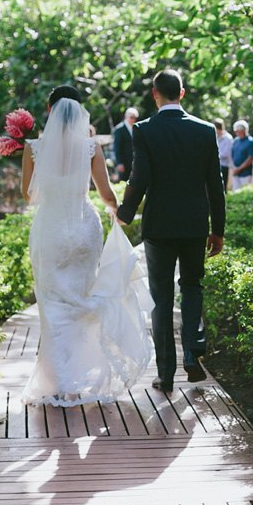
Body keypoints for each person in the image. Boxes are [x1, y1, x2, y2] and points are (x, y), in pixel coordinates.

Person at [20, 85, 152, 406]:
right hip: (83, 226)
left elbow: (29, 195)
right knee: (82, 297)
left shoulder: (33, 148)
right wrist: (115, 209)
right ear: (81, 112)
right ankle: (75, 382)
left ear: (51, 111)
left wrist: (52, 182)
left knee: (52, 302)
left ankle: (56, 378)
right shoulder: (90, 146)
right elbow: (106, 194)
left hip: (49, 228)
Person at [117, 70, 226, 394]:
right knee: (192, 286)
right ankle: (193, 350)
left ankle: (166, 375)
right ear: (182, 93)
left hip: (159, 227)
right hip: (194, 225)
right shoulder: (206, 131)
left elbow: (140, 178)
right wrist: (217, 230)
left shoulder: (145, 130)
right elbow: (215, 186)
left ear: (154, 94)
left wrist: (124, 214)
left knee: (161, 298)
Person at [113, 107, 139, 182]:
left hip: (134, 161)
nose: (133, 120)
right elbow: (117, 147)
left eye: (135, 118)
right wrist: (119, 163)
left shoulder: (136, 127)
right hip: (124, 162)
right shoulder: (119, 129)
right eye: (131, 117)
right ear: (125, 117)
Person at [230, 119, 253, 191]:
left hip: (245, 174)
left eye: (237, 130)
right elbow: (231, 156)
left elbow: (250, 158)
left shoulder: (250, 142)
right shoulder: (235, 141)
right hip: (235, 173)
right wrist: (234, 168)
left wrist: (239, 169)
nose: (236, 132)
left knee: (245, 191)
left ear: (242, 130)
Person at [215, 118, 233, 190]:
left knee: (223, 187)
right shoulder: (215, 137)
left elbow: (226, 153)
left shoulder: (227, 138)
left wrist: (214, 155)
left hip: (224, 165)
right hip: (216, 164)